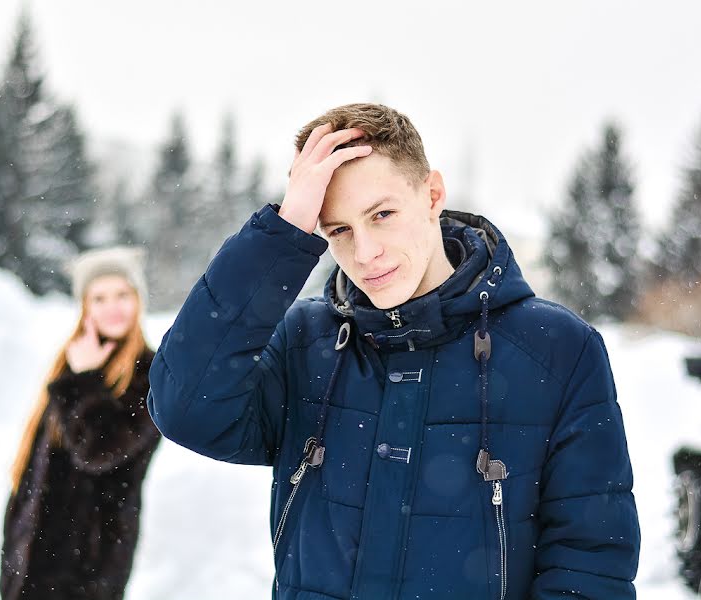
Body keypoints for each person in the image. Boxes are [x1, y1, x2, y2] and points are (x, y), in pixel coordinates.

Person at [147, 103, 640, 599]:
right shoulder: (306, 342)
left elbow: (590, 564)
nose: (365, 253)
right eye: (338, 229)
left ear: (432, 194)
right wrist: (284, 229)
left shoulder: (557, 350)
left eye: (381, 215)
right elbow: (185, 408)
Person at [0, 246, 162, 600]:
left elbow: (98, 452)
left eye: (122, 295)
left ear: (138, 299)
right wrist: (13, 553)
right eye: (99, 298)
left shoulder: (150, 375)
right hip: (33, 560)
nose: (113, 307)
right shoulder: (71, 359)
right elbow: (33, 472)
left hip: (90, 566)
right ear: (84, 305)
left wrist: (83, 381)